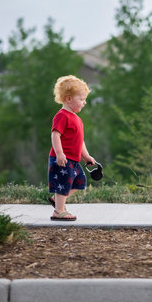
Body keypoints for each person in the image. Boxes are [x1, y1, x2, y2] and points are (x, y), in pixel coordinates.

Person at [48, 75, 95, 221]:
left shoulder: (77, 119)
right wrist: (59, 154)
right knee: (63, 183)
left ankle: (58, 200)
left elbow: (80, 141)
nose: (84, 102)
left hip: (73, 159)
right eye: (81, 99)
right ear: (68, 99)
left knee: (80, 181)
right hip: (62, 158)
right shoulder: (62, 116)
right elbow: (55, 135)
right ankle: (59, 211)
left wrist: (86, 156)